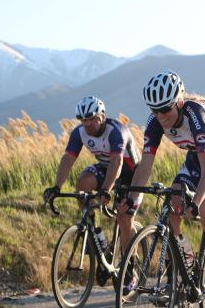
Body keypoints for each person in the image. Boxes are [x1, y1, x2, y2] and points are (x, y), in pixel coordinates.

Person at [120, 70, 205, 298]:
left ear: (178, 102)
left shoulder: (196, 116)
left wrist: (196, 202)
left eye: (165, 109)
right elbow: (145, 165)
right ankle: (180, 267)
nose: (160, 115)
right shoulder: (155, 122)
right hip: (197, 159)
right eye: (154, 110)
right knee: (172, 209)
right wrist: (132, 198)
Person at [43, 96, 141, 285]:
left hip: (129, 173)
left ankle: (130, 269)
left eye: (91, 118)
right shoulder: (79, 133)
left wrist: (105, 190)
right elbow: (68, 158)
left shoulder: (116, 131)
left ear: (102, 116)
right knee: (82, 184)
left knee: (124, 218)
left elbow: (117, 162)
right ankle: (97, 234)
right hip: (106, 167)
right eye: (83, 120)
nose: (87, 123)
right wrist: (56, 187)